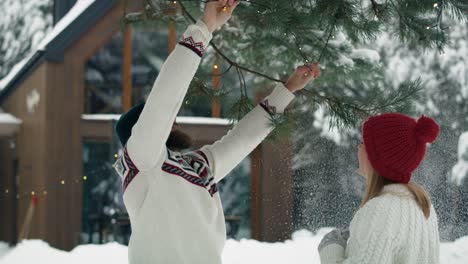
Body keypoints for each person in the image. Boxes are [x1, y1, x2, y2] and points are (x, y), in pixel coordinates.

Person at [113, 0, 320, 263]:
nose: (172, 119)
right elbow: (165, 96)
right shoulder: (141, 160)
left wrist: (287, 90)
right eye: (165, 119)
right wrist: (205, 27)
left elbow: (241, 139)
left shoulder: (198, 166)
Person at [318, 113, 441, 264]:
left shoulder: (379, 211)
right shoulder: (424, 206)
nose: (360, 146)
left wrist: (330, 249)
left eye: (365, 142)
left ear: (377, 158)